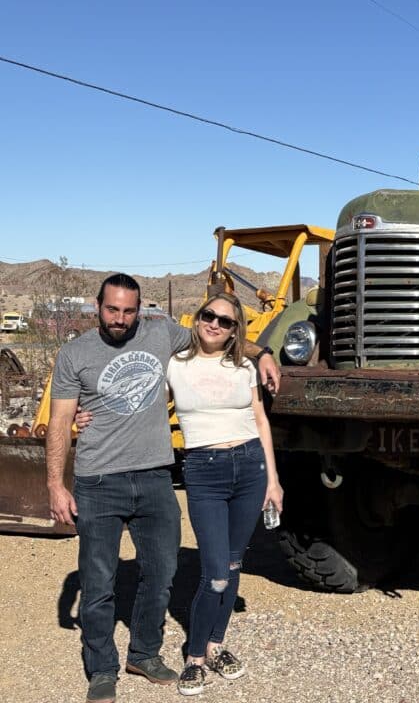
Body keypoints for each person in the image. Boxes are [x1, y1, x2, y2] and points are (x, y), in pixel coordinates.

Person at [47, 274, 279, 703]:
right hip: (98, 479)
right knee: (99, 581)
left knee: (161, 573)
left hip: (155, 475)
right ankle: (102, 669)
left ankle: (144, 653)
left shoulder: (160, 333)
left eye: (128, 310)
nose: (119, 318)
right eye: (111, 309)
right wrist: (56, 487)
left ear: (140, 309)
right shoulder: (74, 353)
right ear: (98, 306)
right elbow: (60, 422)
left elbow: (219, 339)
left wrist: (263, 352)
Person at [167, 292, 283, 696]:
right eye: (208, 315)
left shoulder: (244, 367)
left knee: (234, 565)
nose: (214, 324)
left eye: (225, 321)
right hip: (204, 471)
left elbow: (260, 419)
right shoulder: (176, 364)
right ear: (198, 318)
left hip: (250, 466)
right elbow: (142, 405)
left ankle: (216, 646)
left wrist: (273, 480)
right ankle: (194, 656)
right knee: (214, 573)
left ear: (236, 330)